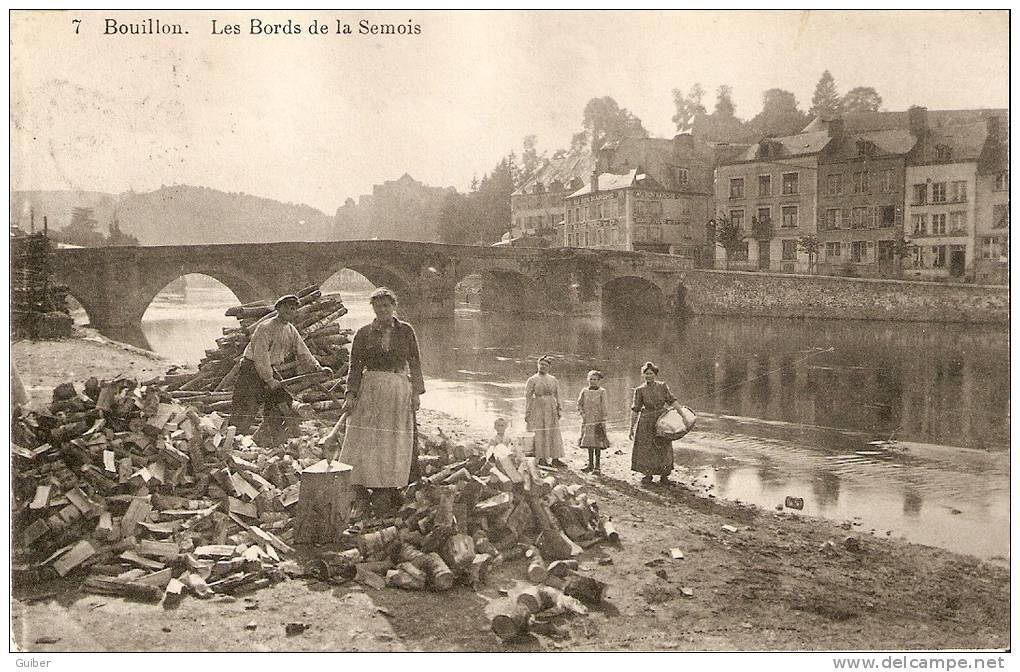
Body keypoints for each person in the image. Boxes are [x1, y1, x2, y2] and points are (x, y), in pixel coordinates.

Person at [338, 287, 425, 516]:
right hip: (371, 389)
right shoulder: (363, 333)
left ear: (393, 306)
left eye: (387, 305)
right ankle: (364, 484)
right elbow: (355, 366)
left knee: (394, 437)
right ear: (373, 309)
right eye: (378, 306)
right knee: (368, 437)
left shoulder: (406, 331)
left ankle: (391, 483)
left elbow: (415, 362)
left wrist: (416, 392)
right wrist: (350, 393)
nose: (383, 310)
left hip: (398, 389)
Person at [230, 295, 329, 446]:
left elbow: (303, 352)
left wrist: (318, 368)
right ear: (279, 308)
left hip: (269, 369)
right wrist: (269, 380)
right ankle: (230, 443)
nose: (291, 310)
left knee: (283, 401)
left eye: (294, 308)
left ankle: (266, 440)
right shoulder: (265, 327)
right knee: (246, 408)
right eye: (288, 307)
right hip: (251, 370)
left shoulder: (290, 330)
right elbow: (260, 357)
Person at [629, 361, 683, 485]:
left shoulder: (662, 386)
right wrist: (631, 427)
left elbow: (672, 401)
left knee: (663, 446)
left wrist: (683, 415)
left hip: (662, 419)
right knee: (647, 447)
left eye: (651, 374)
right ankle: (648, 474)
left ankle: (664, 475)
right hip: (646, 422)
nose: (649, 376)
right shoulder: (639, 390)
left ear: (655, 374)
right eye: (646, 374)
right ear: (643, 375)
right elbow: (635, 409)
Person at [525, 355, 565, 468]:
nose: (543, 367)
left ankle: (555, 458)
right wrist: (527, 412)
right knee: (540, 432)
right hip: (538, 407)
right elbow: (528, 397)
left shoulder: (553, 379)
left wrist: (559, 408)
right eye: (541, 364)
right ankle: (542, 458)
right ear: (538, 365)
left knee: (553, 432)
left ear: (549, 367)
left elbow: (558, 395)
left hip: (551, 407)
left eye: (546, 365)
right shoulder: (532, 380)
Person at [577, 369, 609, 474]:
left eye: (595, 379)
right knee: (589, 442)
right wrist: (582, 414)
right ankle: (590, 464)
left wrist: (603, 419)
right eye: (590, 379)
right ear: (587, 379)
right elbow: (579, 404)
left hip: (598, 420)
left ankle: (597, 466)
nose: (592, 381)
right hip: (587, 420)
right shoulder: (584, 391)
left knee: (598, 443)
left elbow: (604, 406)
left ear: (599, 380)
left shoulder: (602, 392)